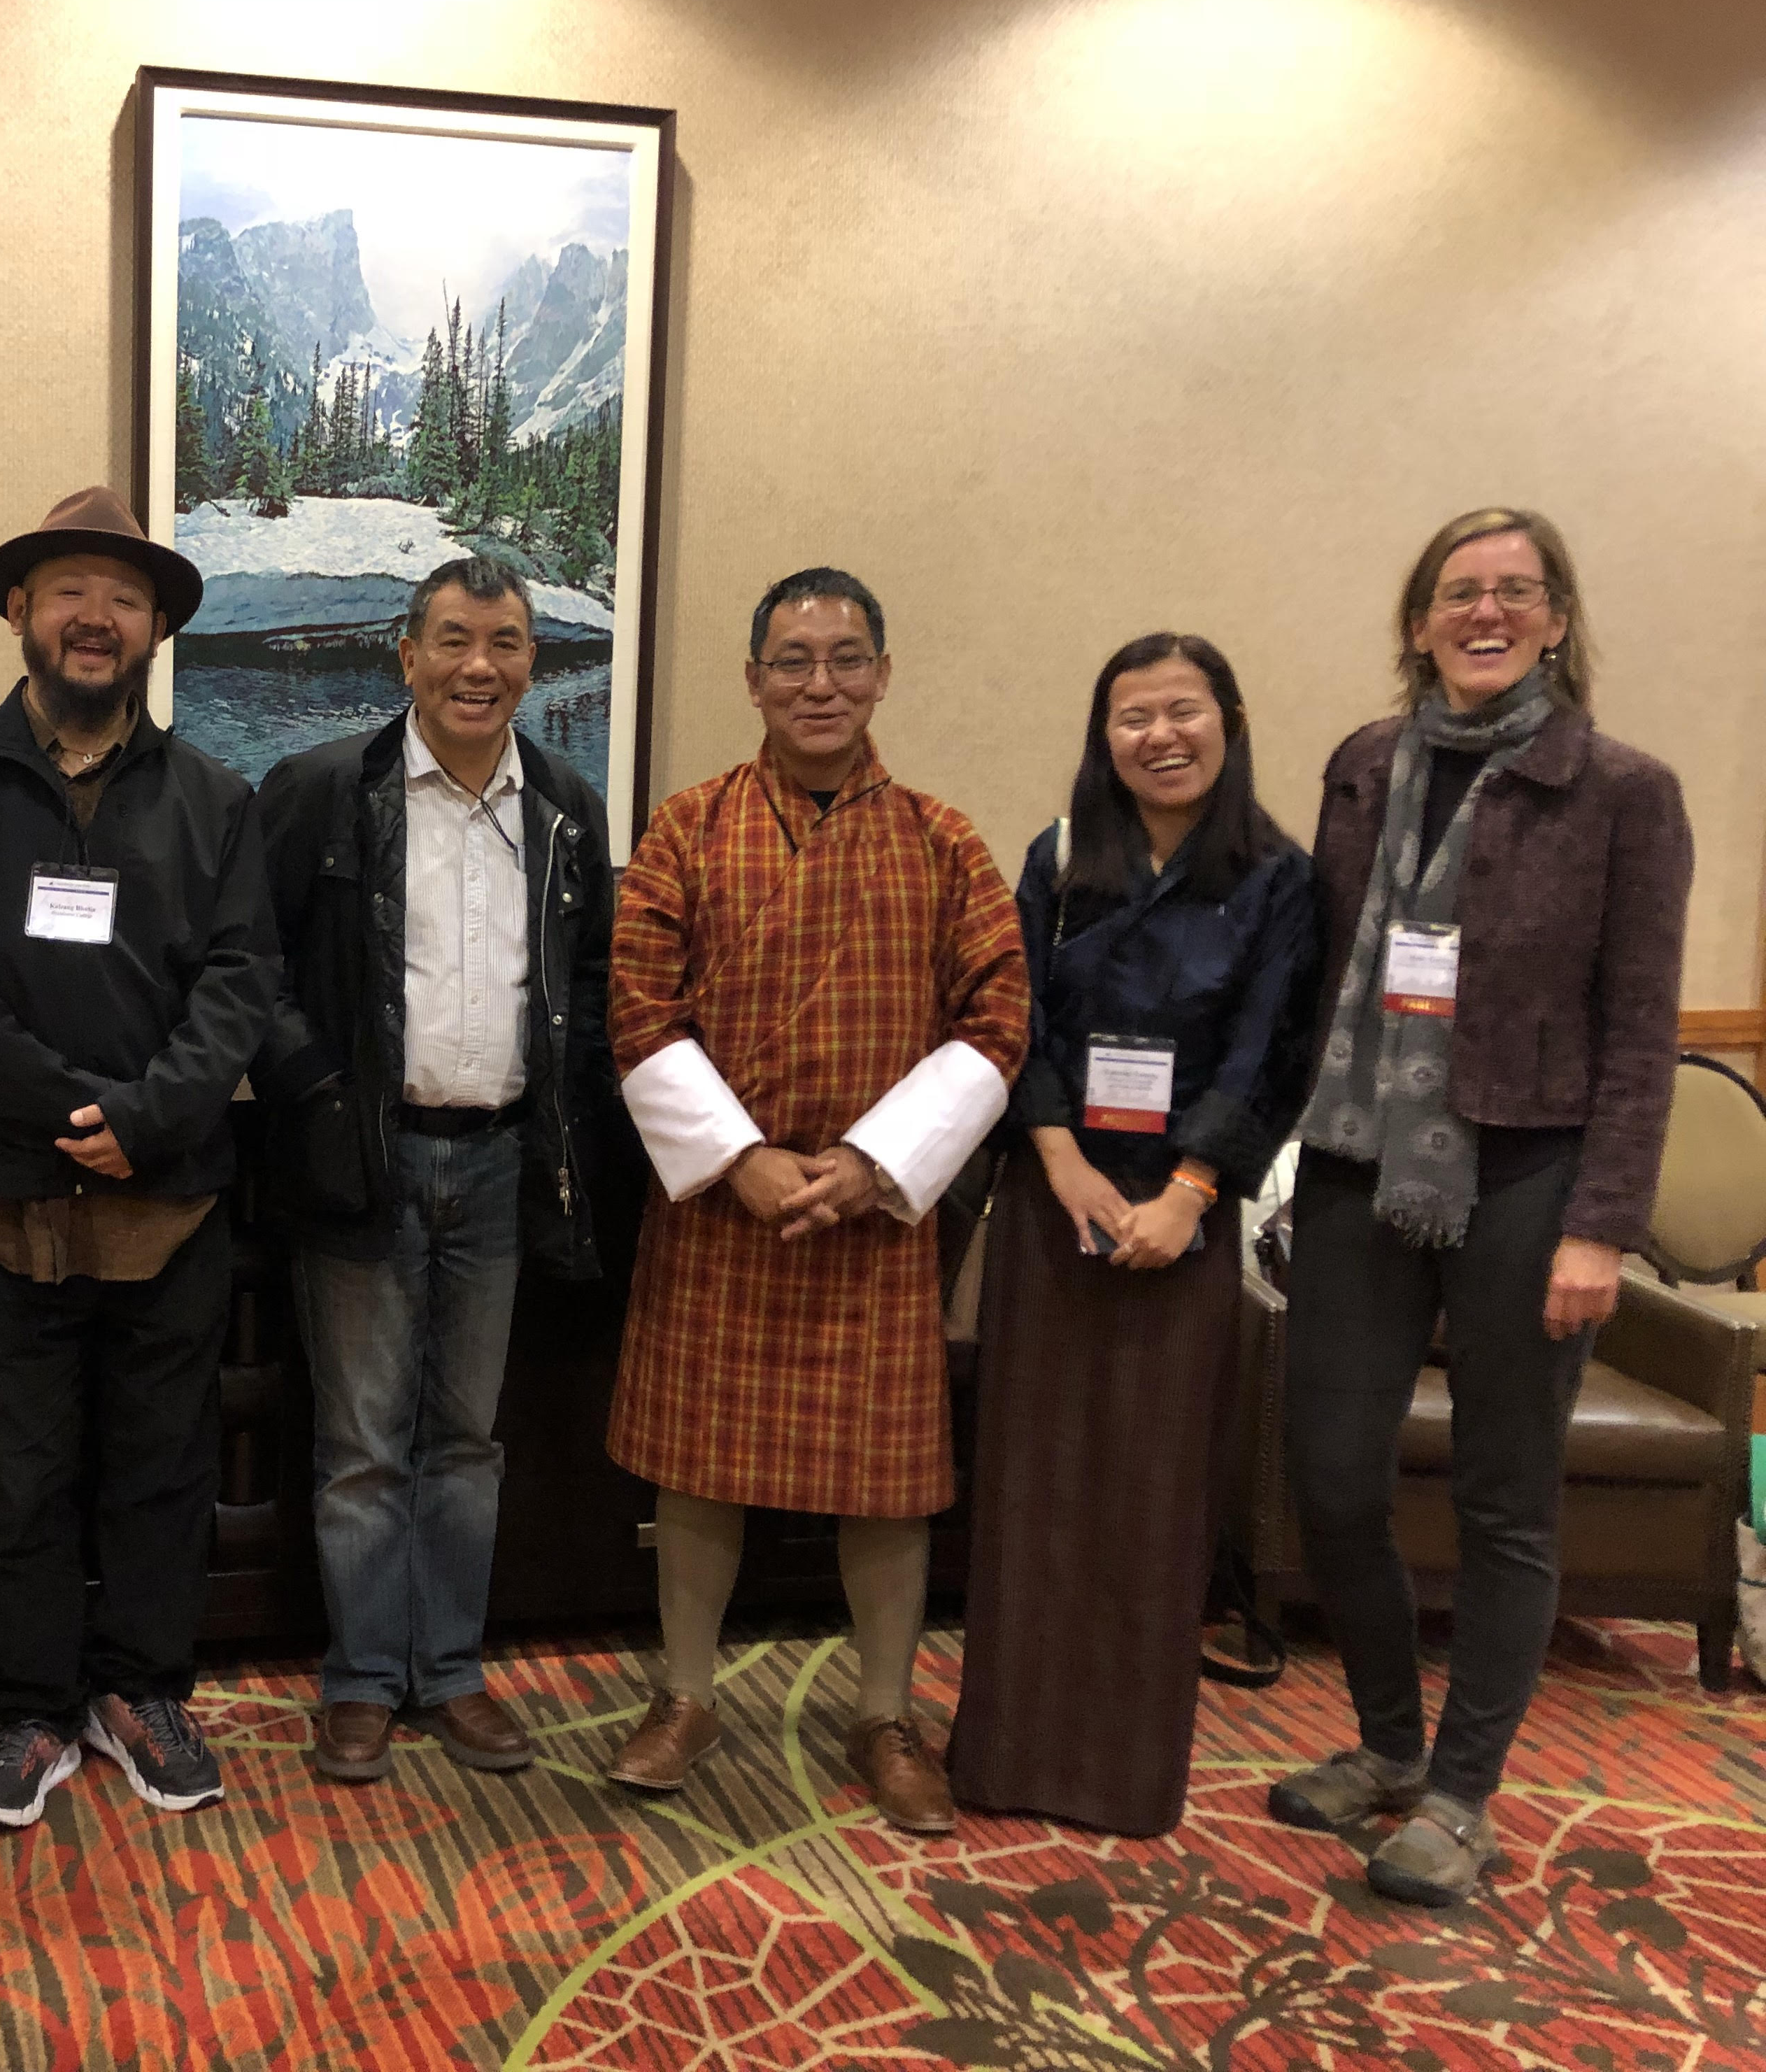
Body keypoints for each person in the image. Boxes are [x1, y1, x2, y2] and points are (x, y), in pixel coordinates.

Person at [1268, 508, 1691, 1905]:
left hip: (1529, 1175)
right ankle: (1390, 1747)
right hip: (1355, 1162)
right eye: (1461, 591)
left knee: (1506, 1499)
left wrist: (1601, 1226)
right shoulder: (1363, 766)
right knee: (1333, 1474)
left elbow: (1641, 1033)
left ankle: (1462, 1795)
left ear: (1558, 620)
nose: (1487, 611)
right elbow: (1320, 969)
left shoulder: (1624, 792)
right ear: (1419, 623)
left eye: (1517, 590)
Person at [601, 565, 1027, 1833]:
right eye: (793, 661)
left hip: (872, 1215)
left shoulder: (946, 841)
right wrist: (741, 1159)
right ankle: (686, 1695)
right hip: (721, 1207)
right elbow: (638, 1006)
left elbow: (999, 1018)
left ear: (882, 675)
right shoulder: (686, 829)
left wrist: (874, 1164)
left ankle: (884, 1715)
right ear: (754, 682)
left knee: (886, 1485)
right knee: (697, 1472)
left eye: (846, 659)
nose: (820, 684)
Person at [0, 487, 276, 1830]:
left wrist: (150, 1118)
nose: (94, 617)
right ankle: (29, 1711)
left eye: (124, 597)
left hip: (171, 1202)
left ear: (156, 627)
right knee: (18, 1474)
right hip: (4, 1199)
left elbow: (241, 978)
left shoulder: (217, 797)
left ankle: (141, 1691)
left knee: (163, 1468)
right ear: (21, 610)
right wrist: (67, 1113)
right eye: (69, 591)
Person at [254, 556, 615, 1786]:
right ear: (405, 655)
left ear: (534, 660)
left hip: (505, 1163)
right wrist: (318, 1092)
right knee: (362, 1443)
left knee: (467, 1440)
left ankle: (450, 1671)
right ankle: (363, 1680)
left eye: (505, 642)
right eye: (454, 639)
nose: (479, 666)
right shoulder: (322, 790)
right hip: (363, 1158)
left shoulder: (564, 803)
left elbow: (587, 981)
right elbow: (256, 967)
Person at [948, 632, 1317, 1837]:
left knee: (1151, 1498)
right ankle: (1007, 1759)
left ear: (1230, 722)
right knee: (1034, 1486)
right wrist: (1056, 1158)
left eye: (1183, 711)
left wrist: (1191, 1194)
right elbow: (1013, 1016)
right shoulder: (1061, 858)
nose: (1160, 737)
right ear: (1103, 737)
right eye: (1133, 717)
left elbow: (1270, 1048)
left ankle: (1120, 1775)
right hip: (1052, 1203)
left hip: (1182, 1217)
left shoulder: (1278, 878)